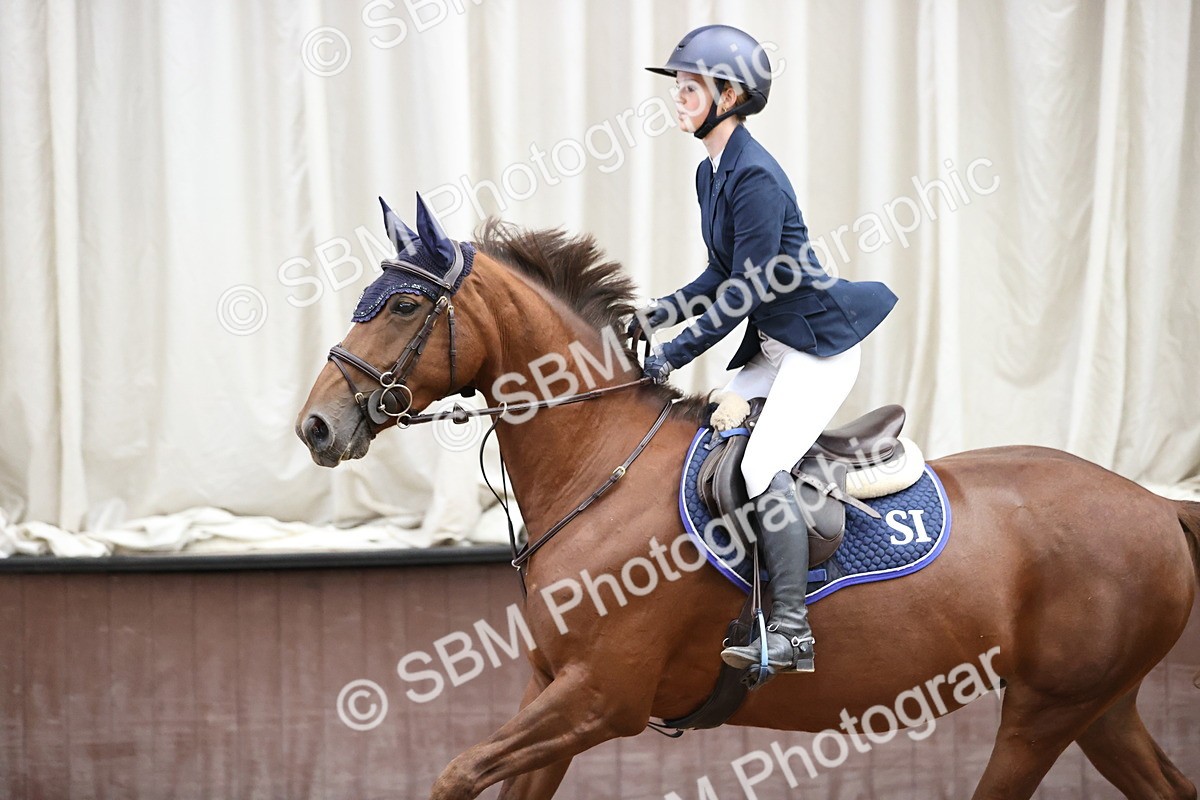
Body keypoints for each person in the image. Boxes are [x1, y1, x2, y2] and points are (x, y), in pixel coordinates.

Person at [638, 25, 898, 678]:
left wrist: (670, 355)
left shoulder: (754, 176)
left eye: (691, 87)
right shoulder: (711, 174)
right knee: (702, 441)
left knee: (759, 469)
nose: (679, 97)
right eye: (679, 86)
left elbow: (740, 296)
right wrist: (651, 316)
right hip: (774, 348)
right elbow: (714, 278)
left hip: (816, 349)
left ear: (731, 94)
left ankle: (791, 634)